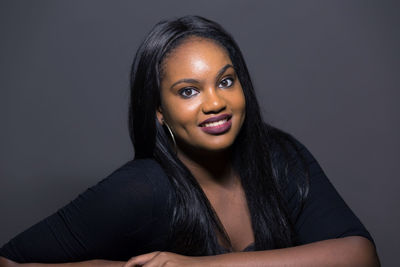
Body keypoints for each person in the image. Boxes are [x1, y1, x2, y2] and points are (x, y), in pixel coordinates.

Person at [0, 15, 379, 266]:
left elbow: (361, 255)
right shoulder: (142, 189)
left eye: (226, 81)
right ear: (158, 111)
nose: (215, 103)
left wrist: (200, 266)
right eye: (188, 91)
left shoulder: (279, 157)